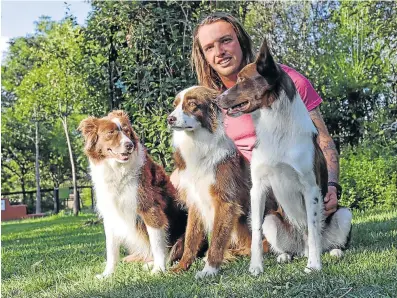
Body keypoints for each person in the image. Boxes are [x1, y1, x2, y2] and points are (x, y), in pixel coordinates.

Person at [174, 12, 340, 216]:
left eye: (226, 41)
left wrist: (331, 186)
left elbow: (323, 139)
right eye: (209, 47)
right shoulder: (208, 103)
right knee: (174, 182)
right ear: (204, 57)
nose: (219, 52)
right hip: (245, 192)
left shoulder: (289, 83)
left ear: (241, 42)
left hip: (292, 188)